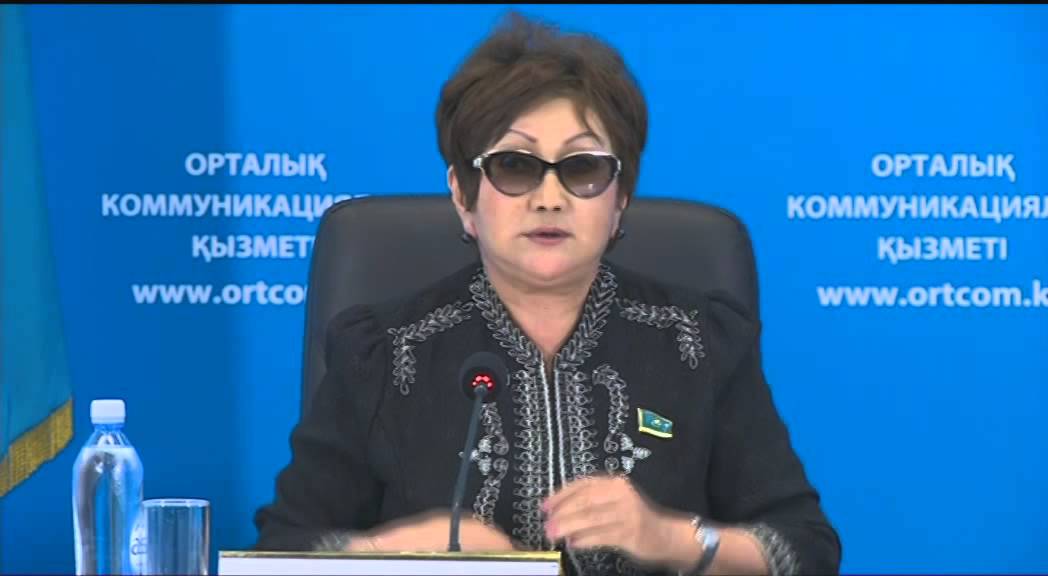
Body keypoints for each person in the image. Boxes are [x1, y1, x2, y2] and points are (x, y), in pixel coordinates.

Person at [254, 11, 841, 576]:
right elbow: (280, 553)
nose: (550, 198)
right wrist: (402, 551)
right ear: (462, 195)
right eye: (515, 165)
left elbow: (805, 549)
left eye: (582, 168)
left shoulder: (698, 342)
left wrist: (672, 538)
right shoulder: (384, 353)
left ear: (620, 199)